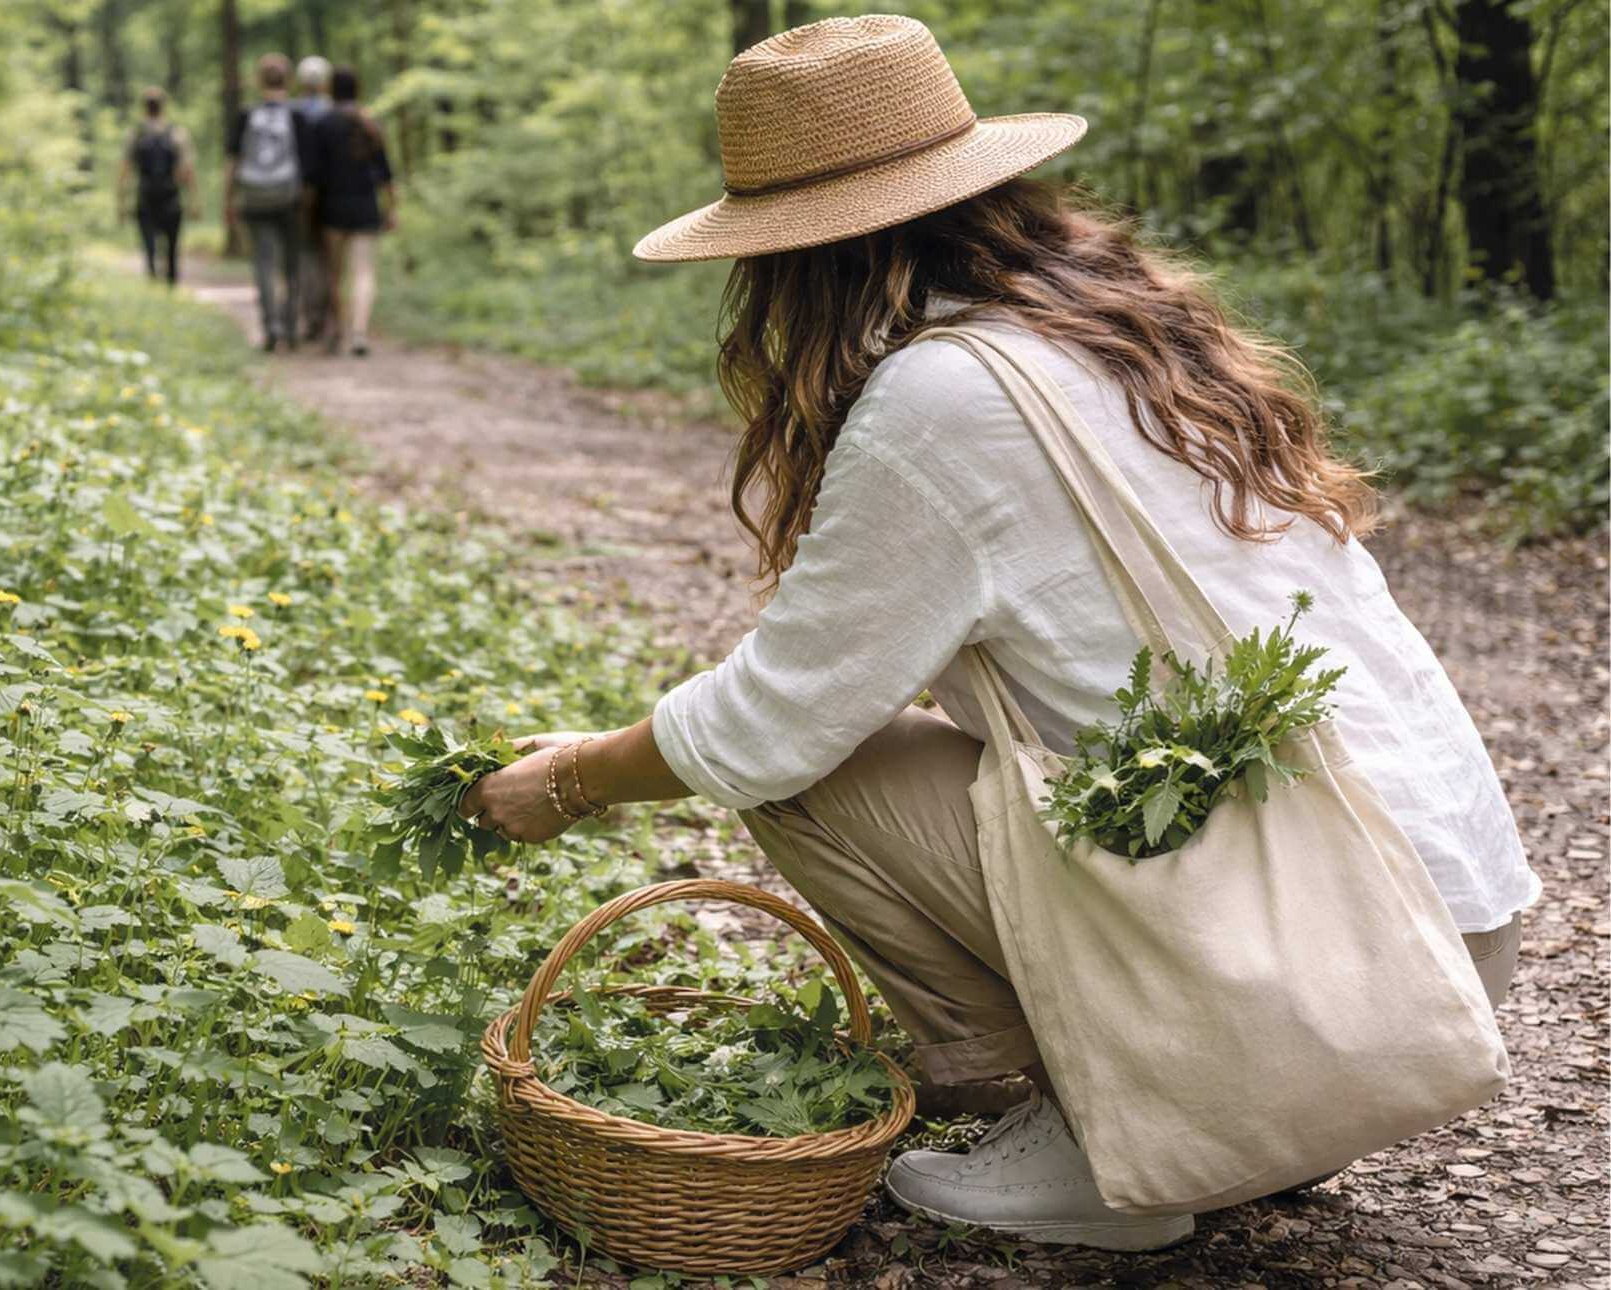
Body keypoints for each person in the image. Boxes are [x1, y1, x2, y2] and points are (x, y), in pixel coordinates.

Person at [458, 16, 1537, 1254]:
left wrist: (571, 777)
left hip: (1322, 960)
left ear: (791, 258)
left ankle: (1113, 1142)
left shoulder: (943, 395)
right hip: (1437, 935)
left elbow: (768, 725)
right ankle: (1244, 1110)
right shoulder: (1116, 329)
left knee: (813, 780)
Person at [304, 66, 396, 356]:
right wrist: (392, 209)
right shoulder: (371, 125)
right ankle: (359, 331)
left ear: (331, 89)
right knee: (364, 273)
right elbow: (386, 176)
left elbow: (313, 176)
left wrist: (308, 210)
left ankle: (337, 329)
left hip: (332, 208)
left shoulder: (323, 124)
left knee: (334, 273)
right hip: (366, 207)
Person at [226, 54, 309, 351]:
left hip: (254, 197)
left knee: (263, 263)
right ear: (288, 79)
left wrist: (229, 200)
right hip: (289, 198)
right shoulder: (296, 115)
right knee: (292, 265)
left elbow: (232, 162)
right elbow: (307, 164)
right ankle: (290, 328)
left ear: (260, 80)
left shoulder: (247, 114)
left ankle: (270, 325)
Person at [118, 87, 199, 286]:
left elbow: (125, 170)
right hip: (171, 196)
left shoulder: (135, 135)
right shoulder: (177, 134)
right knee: (172, 246)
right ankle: (171, 282)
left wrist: (121, 201)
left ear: (144, 108)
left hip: (145, 195)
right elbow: (187, 170)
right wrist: (194, 200)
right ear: (164, 106)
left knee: (149, 246)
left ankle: (153, 279)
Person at [291, 55, 336, 342]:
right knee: (328, 258)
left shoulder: (291, 112)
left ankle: (311, 317)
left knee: (305, 255)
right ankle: (329, 316)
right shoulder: (333, 112)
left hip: (298, 192)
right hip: (331, 193)